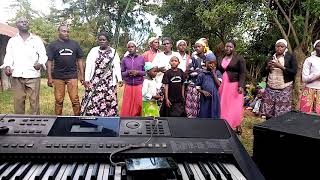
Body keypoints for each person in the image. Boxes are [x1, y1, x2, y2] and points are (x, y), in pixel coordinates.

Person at [0, 17, 47, 115]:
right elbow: (9, 56)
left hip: (33, 75)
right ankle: (19, 124)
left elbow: (43, 55)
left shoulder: (36, 40)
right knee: (18, 102)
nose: (24, 23)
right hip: (17, 75)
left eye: (26, 22)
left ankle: (35, 124)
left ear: (29, 24)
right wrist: (7, 66)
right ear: (17, 25)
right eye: (21, 22)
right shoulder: (12, 41)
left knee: (34, 102)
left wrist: (40, 63)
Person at [80, 32, 123, 116]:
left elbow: (117, 66)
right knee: (93, 99)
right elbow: (89, 65)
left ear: (108, 41)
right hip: (96, 80)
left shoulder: (113, 52)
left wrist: (120, 79)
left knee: (108, 100)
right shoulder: (94, 50)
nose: (102, 41)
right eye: (100, 40)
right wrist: (87, 79)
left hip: (109, 82)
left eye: (104, 40)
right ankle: (92, 118)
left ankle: (107, 118)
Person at [47, 24, 85, 116]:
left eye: (68, 31)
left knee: (75, 99)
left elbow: (80, 60)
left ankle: (78, 118)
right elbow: (49, 61)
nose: (66, 33)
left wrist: (82, 75)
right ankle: (58, 119)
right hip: (58, 77)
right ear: (58, 32)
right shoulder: (53, 45)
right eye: (64, 31)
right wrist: (49, 77)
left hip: (72, 76)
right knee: (59, 100)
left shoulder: (74, 44)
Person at [260, 39, 297, 119]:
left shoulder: (290, 57)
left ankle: (279, 129)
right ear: (275, 47)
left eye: (282, 46)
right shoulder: (270, 57)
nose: (279, 48)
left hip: (284, 88)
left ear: (285, 48)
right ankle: (268, 127)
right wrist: (268, 67)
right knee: (269, 113)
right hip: (270, 87)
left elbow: (293, 72)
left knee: (281, 113)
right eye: (277, 46)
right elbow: (262, 73)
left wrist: (280, 66)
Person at [218, 40, 246, 134]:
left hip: (234, 85)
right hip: (223, 85)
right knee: (223, 104)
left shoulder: (239, 58)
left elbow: (242, 73)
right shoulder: (221, 58)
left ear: (234, 48)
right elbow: (218, 70)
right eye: (227, 46)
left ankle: (235, 124)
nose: (228, 48)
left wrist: (241, 85)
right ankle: (223, 124)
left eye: (230, 47)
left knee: (234, 106)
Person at [186, 40, 215, 118]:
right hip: (193, 85)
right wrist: (201, 71)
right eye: (195, 47)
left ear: (203, 47)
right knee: (192, 106)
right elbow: (190, 71)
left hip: (204, 86)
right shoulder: (193, 57)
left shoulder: (208, 58)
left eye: (199, 46)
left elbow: (211, 70)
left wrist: (199, 71)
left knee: (202, 106)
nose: (196, 48)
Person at [120, 41, 145, 116]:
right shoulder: (124, 59)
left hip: (139, 85)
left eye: (132, 47)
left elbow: (145, 72)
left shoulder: (141, 58)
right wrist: (128, 72)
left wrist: (137, 72)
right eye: (129, 47)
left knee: (138, 104)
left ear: (135, 48)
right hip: (129, 85)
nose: (130, 48)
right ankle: (126, 120)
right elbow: (122, 73)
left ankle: (139, 120)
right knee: (127, 105)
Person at [196, 53, 222, 118]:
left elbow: (219, 84)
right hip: (205, 98)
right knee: (204, 113)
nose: (212, 65)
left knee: (214, 113)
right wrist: (203, 91)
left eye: (213, 63)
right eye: (210, 63)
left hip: (215, 97)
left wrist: (213, 73)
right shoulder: (202, 74)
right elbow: (197, 87)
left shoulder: (217, 73)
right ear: (205, 63)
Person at [300, 40, 320, 114]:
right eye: (318, 46)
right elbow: (304, 78)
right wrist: (318, 75)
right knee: (305, 116)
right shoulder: (309, 60)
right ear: (315, 48)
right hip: (309, 90)